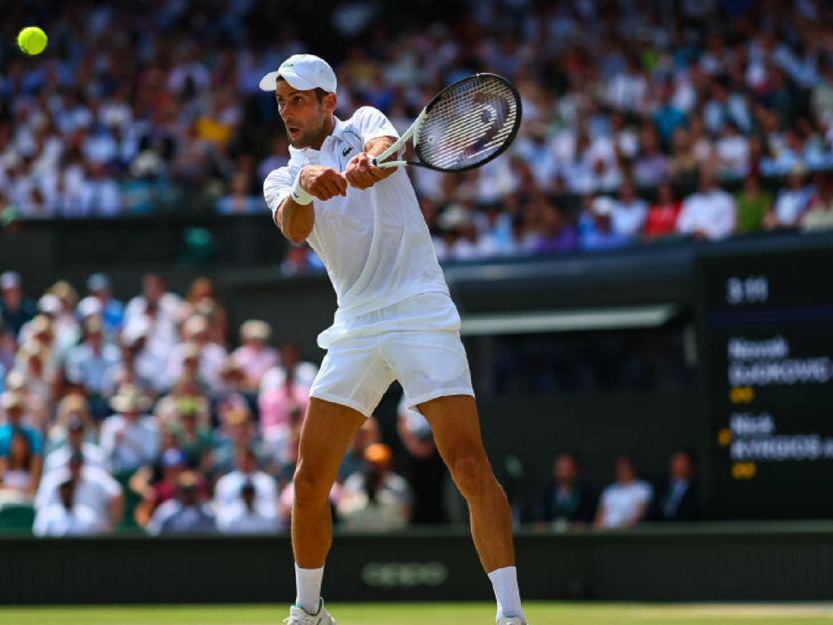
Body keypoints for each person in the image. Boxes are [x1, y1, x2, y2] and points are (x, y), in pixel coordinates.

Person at [261, 54, 524, 624]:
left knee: (469, 465)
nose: (287, 110)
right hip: (354, 324)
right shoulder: (280, 175)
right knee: (309, 479)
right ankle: (309, 613)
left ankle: (510, 616)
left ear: (329, 102)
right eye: (281, 101)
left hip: (419, 310)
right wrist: (306, 186)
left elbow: (382, 153)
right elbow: (294, 226)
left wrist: (367, 164)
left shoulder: (366, 122)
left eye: (298, 99)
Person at [35, 452, 122, 530]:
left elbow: (116, 493)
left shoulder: (88, 517)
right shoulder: (53, 481)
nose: (75, 469)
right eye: (72, 465)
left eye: (78, 465)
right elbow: (41, 512)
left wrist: (111, 524)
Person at [532, 452, 596, 529]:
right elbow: (539, 521)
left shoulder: (586, 493)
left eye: (568, 469)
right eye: (561, 469)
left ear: (575, 470)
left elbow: (587, 522)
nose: (564, 475)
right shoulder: (546, 492)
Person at [146, 470, 217, 536]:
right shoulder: (166, 511)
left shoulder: (208, 512)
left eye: (193, 489)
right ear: (178, 491)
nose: (190, 494)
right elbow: (152, 533)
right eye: (185, 490)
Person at [0, 430, 40, 510]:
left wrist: (19, 490)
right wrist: (6, 488)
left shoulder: (33, 465)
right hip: (5, 503)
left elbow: (34, 488)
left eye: (22, 444)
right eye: (16, 444)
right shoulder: (2, 462)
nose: (19, 448)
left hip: (25, 504)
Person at [594, 455, 653, 530]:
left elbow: (639, 515)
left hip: (628, 534)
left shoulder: (642, 488)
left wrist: (621, 530)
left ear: (632, 468)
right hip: (605, 533)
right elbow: (599, 517)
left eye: (625, 467)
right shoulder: (609, 491)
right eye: (619, 467)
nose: (622, 470)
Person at [675, 168, 736, 241]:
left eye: (707, 180)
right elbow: (682, 225)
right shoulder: (691, 200)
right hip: (692, 242)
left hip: (718, 244)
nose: (704, 183)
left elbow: (728, 226)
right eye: (701, 180)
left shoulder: (726, 199)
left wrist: (707, 233)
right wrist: (695, 231)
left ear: (714, 181)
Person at [33, 478, 105, 537]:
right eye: (64, 490)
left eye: (70, 490)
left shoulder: (89, 516)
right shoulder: (46, 516)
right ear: (59, 492)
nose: (67, 493)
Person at [651, 450, 702, 522]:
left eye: (683, 463)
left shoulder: (698, 490)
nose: (678, 467)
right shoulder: (660, 486)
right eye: (676, 463)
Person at [217, 481, 282, 534]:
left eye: (250, 493)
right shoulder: (230, 516)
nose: (248, 496)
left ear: (255, 494)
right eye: (246, 493)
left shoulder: (268, 515)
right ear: (241, 495)